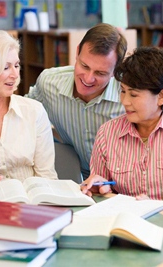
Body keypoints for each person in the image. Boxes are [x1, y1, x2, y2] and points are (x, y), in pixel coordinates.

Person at [26, 23, 127, 179]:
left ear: (116, 70)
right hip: (75, 179)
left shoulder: (129, 95)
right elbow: (23, 117)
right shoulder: (49, 83)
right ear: (77, 51)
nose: (88, 79)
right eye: (84, 66)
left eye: (100, 73)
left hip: (119, 182)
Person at [81, 46, 163, 201]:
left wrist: (154, 206)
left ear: (161, 96)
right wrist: (98, 187)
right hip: (122, 221)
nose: (125, 101)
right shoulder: (108, 132)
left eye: (134, 95)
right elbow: (102, 192)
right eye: (123, 91)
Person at [0, 30, 58, 191]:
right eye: (6, 67)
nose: (15, 74)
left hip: (31, 203)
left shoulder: (34, 111)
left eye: (17, 65)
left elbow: (47, 177)